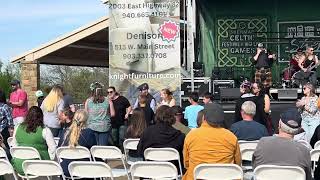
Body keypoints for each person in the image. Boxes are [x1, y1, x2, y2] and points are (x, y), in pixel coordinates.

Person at [183, 103, 241, 180]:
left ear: (204, 117)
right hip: (225, 177)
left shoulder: (191, 135)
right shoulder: (231, 137)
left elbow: (186, 163)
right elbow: (237, 163)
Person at [252, 108, 312, 180]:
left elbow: (255, 167)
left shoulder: (263, 143)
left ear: (279, 124)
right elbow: (308, 177)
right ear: (299, 129)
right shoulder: (304, 150)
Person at [137, 105, 185, 171]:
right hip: (172, 171)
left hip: (151, 170)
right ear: (172, 116)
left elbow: (139, 151)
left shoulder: (147, 132)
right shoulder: (179, 135)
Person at [11, 106, 56, 175]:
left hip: (20, 166)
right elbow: (53, 149)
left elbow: (13, 146)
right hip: (40, 167)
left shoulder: (17, 128)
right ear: (41, 116)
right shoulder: (45, 130)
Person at [58, 109, 97, 177]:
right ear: (86, 120)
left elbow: (59, 149)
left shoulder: (64, 132)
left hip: (66, 169)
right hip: (83, 169)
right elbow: (94, 152)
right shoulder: (89, 133)